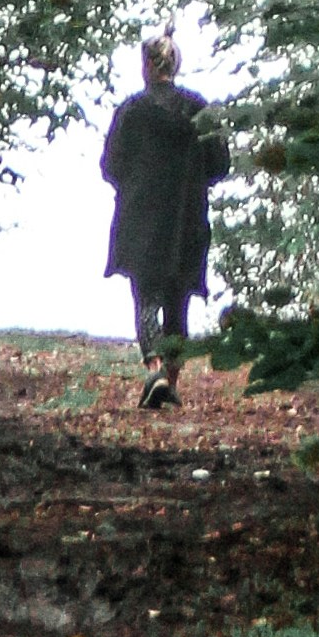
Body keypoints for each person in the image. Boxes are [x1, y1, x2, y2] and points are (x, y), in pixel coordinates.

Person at [100, 32, 227, 410]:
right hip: (187, 218)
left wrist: (133, 183)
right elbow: (220, 165)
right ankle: (170, 381)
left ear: (150, 66)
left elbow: (110, 165)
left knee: (145, 296)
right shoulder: (198, 109)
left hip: (141, 218)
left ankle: (154, 368)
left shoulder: (131, 112)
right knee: (178, 301)